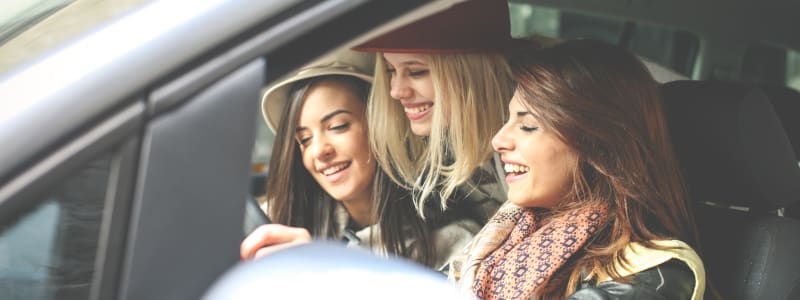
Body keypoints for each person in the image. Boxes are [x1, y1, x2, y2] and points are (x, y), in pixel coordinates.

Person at [449, 39, 706, 299]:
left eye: (528, 126)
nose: (498, 140)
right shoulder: (509, 238)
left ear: (597, 145)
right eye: (508, 120)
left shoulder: (652, 274)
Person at [241, 50, 480, 269]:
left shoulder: (453, 243)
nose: (318, 151)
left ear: (381, 121)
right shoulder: (276, 221)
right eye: (304, 139)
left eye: (338, 126)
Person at [353, 0, 527, 224]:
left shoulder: (534, 146)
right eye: (390, 71)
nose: (396, 91)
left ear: (472, 72)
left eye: (416, 72)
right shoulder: (437, 148)